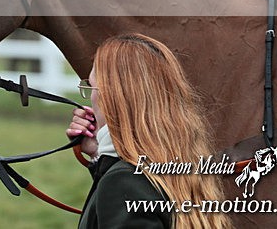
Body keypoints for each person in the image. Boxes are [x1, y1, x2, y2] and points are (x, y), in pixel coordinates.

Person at [67, 34, 232, 229]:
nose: (91, 96)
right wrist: (100, 155)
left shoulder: (123, 182)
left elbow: (125, 188)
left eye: (92, 86)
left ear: (110, 96)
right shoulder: (181, 166)